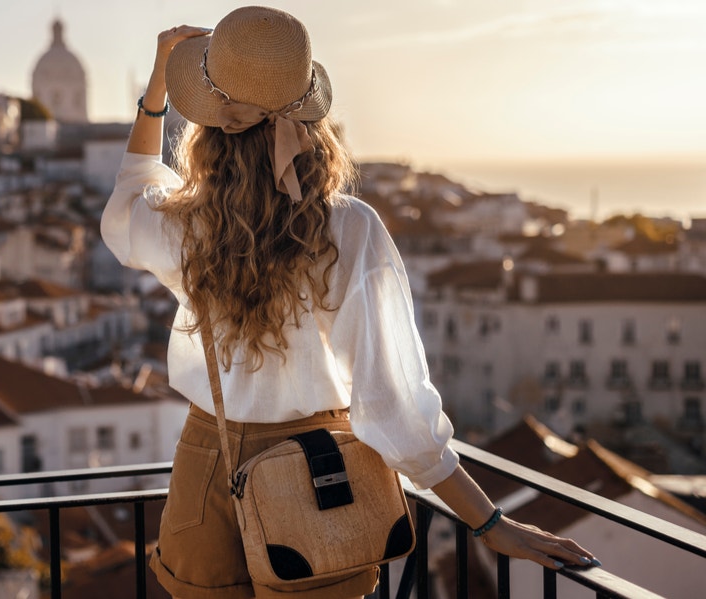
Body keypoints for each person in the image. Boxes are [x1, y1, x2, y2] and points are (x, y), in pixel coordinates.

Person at [100, 6, 597, 599]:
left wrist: (157, 85)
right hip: (317, 470)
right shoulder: (349, 229)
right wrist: (488, 522)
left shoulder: (183, 225)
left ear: (209, 128)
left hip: (206, 463)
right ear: (311, 124)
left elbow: (127, 200)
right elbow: (394, 405)